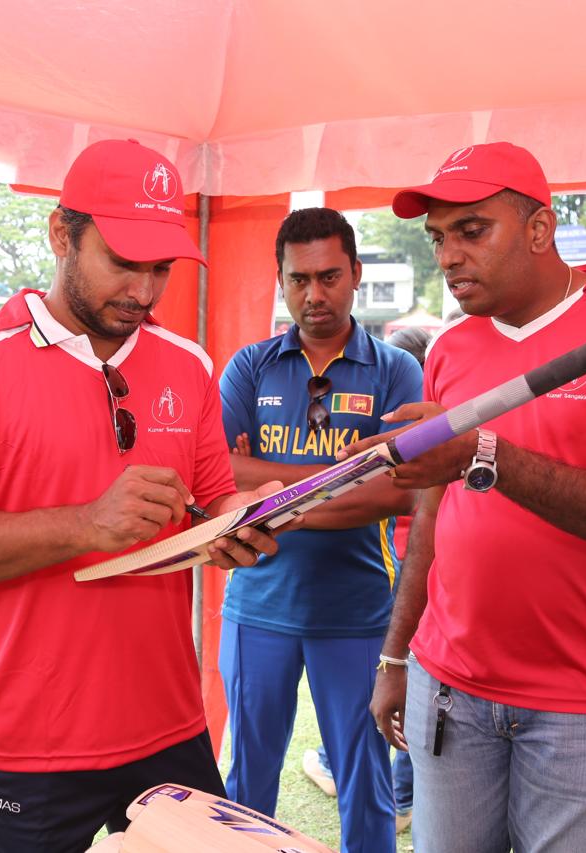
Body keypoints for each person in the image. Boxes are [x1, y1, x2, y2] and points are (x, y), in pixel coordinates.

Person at [0, 138, 286, 853]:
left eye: (161, 268)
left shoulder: (188, 365)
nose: (144, 290)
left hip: (170, 726)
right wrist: (86, 523)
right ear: (61, 236)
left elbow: (211, 498)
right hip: (31, 744)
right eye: (123, 262)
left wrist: (240, 524)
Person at [348, 141, 586, 852]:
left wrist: (486, 455)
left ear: (540, 229)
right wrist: (398, 658)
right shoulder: (451, 348)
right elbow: (432, 514)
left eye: (472, 230)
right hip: (449, 681)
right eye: (438, 237)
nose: (449, 256)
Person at [217, 207, 422, 853]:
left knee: (366, 785)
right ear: (279, 280)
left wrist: (268, 491)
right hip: (256, 608)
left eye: (329, 275)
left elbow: (401, 486)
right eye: (298, 279)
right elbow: (217, 472)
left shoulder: (394, 369)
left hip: (358, 612)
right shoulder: (249, 367)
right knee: (246, 783)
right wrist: (345, 473)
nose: (314, 294)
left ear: (356, 274)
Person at [302, 324, 432, 835]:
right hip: (392, 577)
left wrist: (287, 501)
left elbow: (396, 495)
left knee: (397, 693)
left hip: (391, 582)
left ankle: (398, 795)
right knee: (393, 695)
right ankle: (392, 791)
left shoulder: (424, 442)